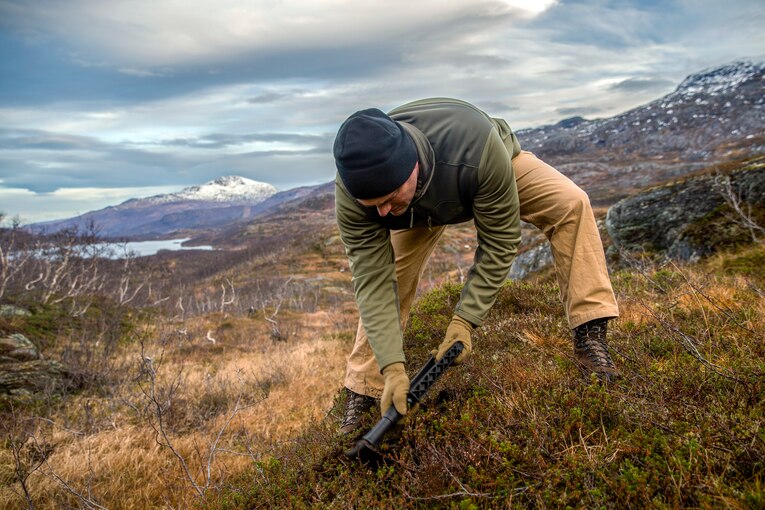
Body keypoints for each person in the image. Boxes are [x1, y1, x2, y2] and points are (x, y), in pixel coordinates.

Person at [333, 98, 619, 434]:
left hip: (477, 170)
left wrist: (464, 322)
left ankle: (590, 335)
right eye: (372, 205)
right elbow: (373, 282)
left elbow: (499, 241)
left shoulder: (476, 145)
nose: (381, 212)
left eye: (388, 197)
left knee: (571, 204)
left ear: (409, 166)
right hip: (413, 212)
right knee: (391, 278)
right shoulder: (356, 193)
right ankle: (362, 391)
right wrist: (393, 367)